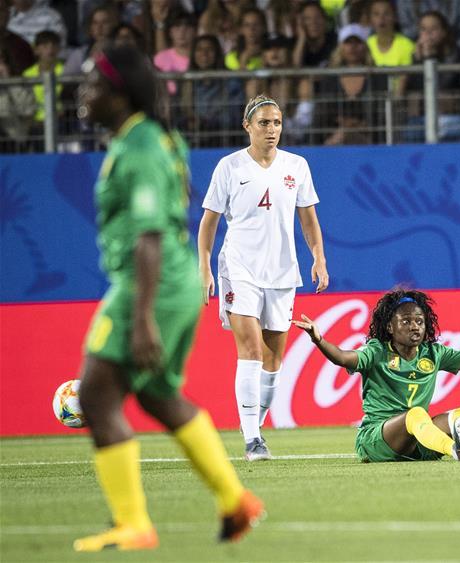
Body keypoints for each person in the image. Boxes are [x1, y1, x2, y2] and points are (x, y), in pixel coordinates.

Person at [73, 44, 264, 552]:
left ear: (119, 93)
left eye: (93, 82)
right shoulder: (154, 138)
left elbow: (150, 235)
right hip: (172, 283)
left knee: (95, 395)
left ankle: (133, 524)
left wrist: (141, 320)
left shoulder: (139, 148)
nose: (83, 90)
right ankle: (234, 500)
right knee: (159, 396)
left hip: (147, 287)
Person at [198, 94, 329, 461]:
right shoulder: (230, 167)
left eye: (276, 123)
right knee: (251, 350)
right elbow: (209, 221)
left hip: (282, 271)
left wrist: (318, 258)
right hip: (239, 268)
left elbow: (308, 219)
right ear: (247, 127)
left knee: (273, 361)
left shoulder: (297, 166)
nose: (271, 130)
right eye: (263, 123)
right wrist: (204, 266)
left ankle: (252, 420)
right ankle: (253, 439)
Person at [293, 289, 460, 462]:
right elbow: (343, 357)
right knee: (416, 414)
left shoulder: (433, 353)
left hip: (420, 441)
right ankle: (455, 450)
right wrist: (319, 339)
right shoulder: (376, 351)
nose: (415, 327)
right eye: (406, 321)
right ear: (390, 327)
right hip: (378, 440)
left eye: (419, 321)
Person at [178, 34, 244, 146]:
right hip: (193, 141)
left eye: (209, 49)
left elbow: (235, 116)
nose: (204, 54)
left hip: (225, 140)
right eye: (199, 49)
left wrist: (205, 123)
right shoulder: (186, 82)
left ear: (217, 54)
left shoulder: (232, 81)